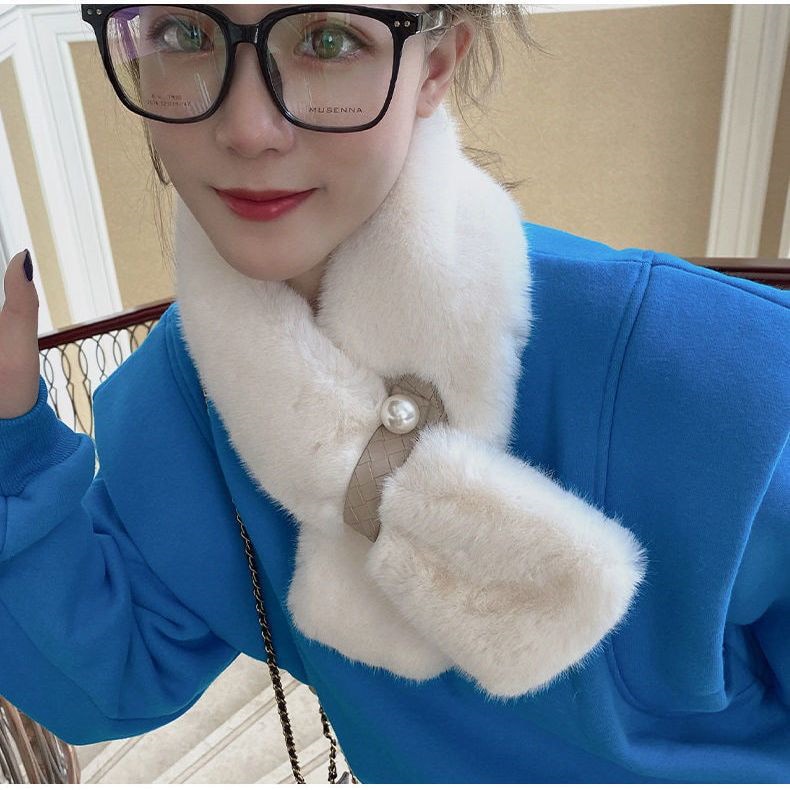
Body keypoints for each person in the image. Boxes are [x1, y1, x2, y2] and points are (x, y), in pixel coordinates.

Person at [0, 3, 787, 784]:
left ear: (435, 66)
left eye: (327, 39)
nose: (247, 128)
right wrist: (12, 436)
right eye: (184, 34)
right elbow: (110, 674)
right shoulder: (180, 400)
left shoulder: (702, 372)